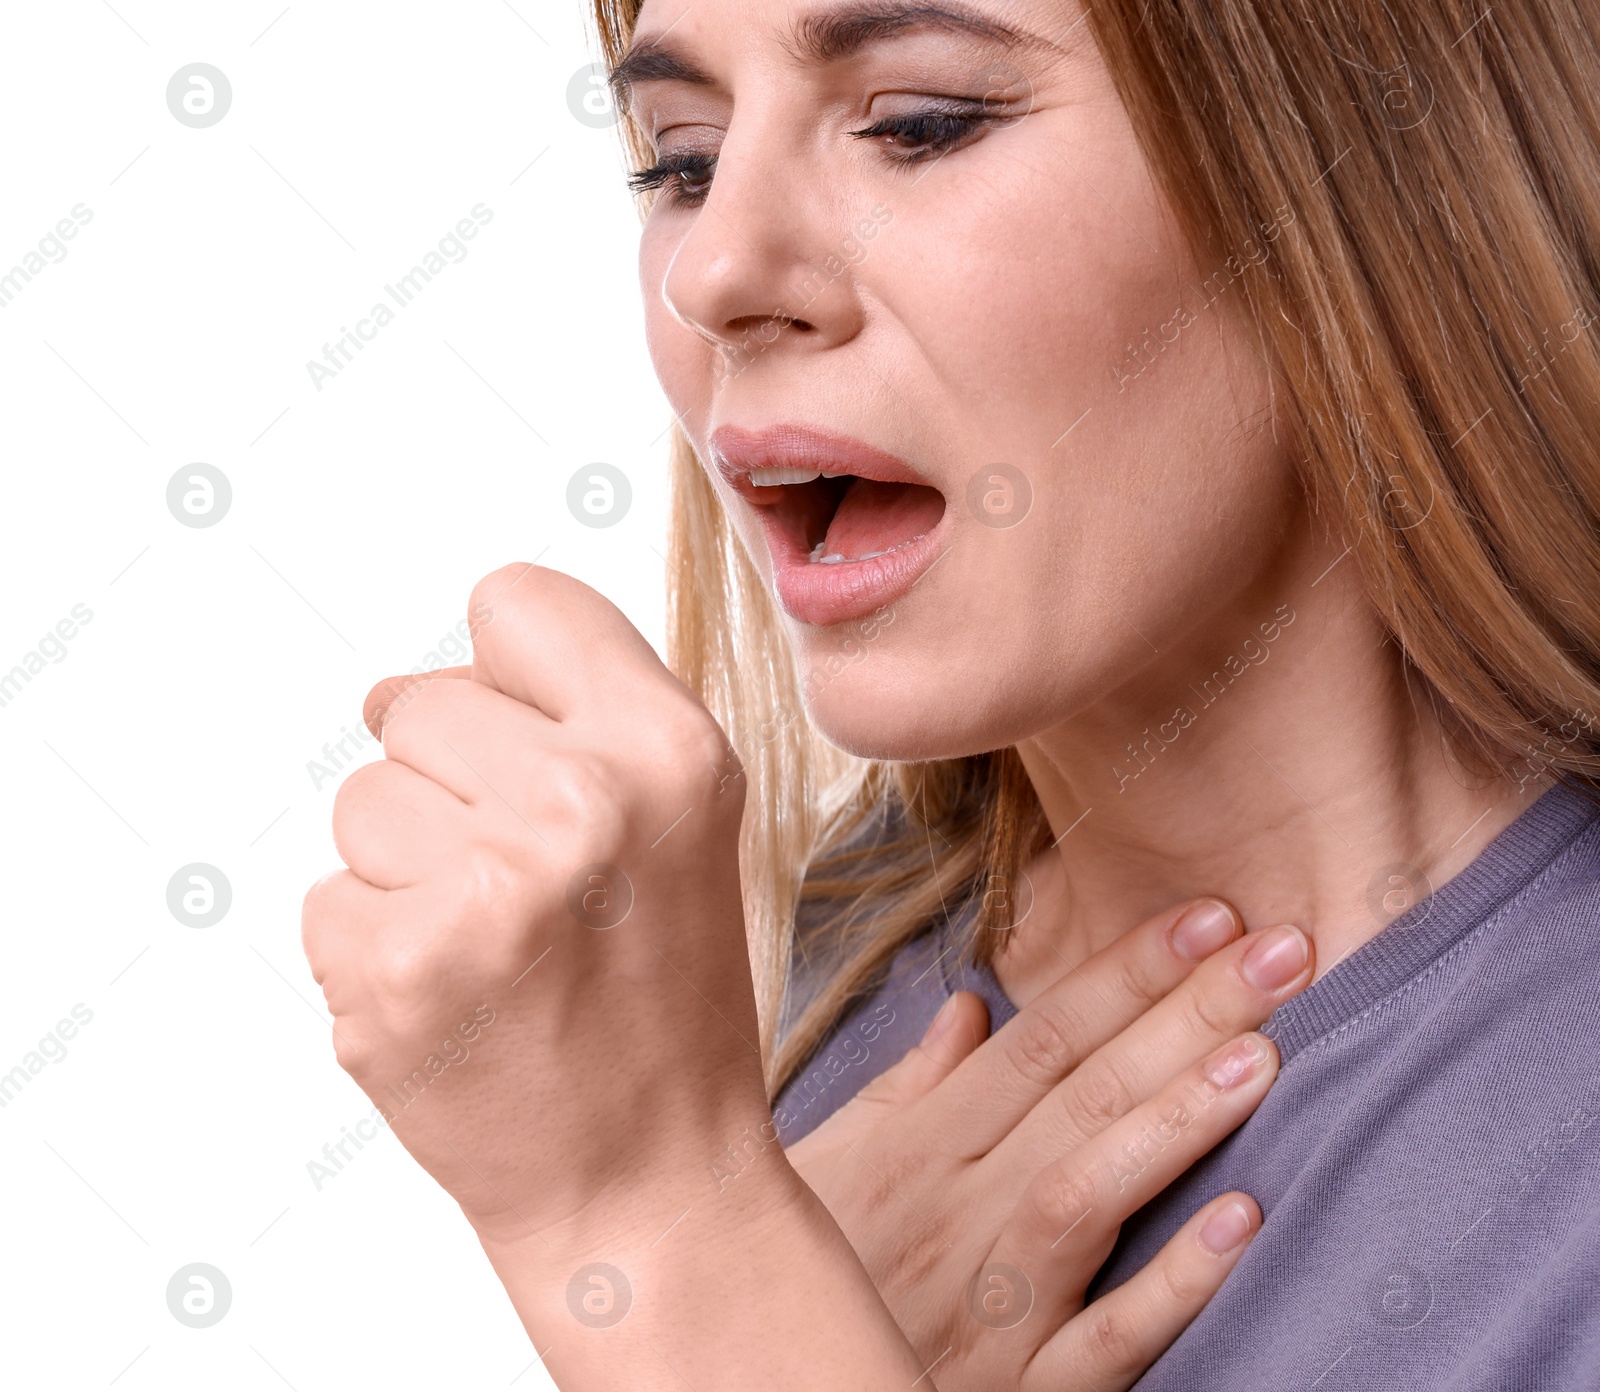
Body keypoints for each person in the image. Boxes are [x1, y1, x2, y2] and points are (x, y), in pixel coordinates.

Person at [302, 0, 1600, 1387]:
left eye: (921, 127)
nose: (718, 270)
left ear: (1367, 177)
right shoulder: (823, 948)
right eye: (683, 159)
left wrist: (664, 1240)